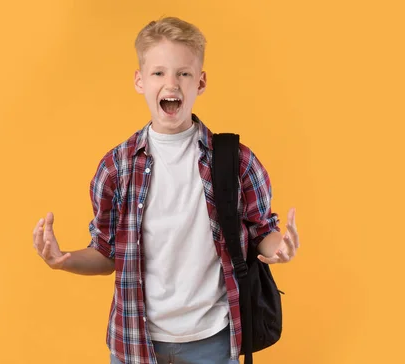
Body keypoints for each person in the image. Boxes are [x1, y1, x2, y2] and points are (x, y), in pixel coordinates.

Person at [32, 16, 300, 364]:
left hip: (215, 343)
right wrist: (63, 261)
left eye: (183, 73)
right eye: (158, 72)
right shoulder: (116, 168)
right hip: (136, 343)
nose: (171, 83)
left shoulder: (236, 161)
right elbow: (106, 254)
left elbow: (262, 230)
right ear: (140, 81)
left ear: (200, 82)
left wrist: (280, 247)